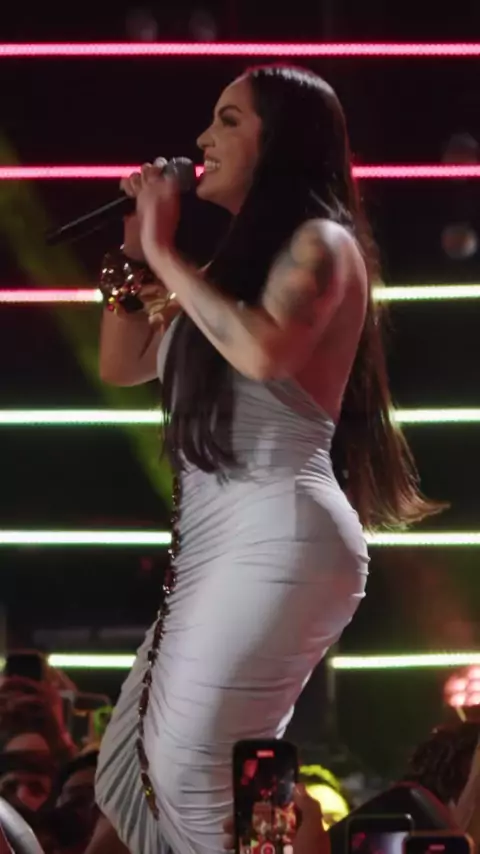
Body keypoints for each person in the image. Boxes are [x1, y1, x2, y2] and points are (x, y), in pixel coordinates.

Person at [93, 64, 442, 854]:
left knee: (192, 771)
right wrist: (133, 253)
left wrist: (163, 248)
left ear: (283, 141)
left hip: (279, 534)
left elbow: (261, 351)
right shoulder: (224, 278)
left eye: (228, 120)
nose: (201, 140)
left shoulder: (324, 244)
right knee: (138, 765)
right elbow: (122, 362)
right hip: (216, 550)